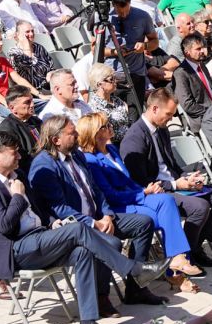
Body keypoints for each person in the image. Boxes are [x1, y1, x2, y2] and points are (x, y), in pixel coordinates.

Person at [0, 131, 165, 324]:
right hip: (15, 249)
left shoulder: (17, 176)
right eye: (14, 153)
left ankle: (88, 323)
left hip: (40, 237)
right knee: (78, 229)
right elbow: (5, 225)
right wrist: (17, 196)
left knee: (82, 252)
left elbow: (39, 210)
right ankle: (134, 269)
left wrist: (52, 222)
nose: (19, 156)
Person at [26, 115, 162, 307]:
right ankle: (101, 297)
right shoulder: (45, 165)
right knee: (111, 243)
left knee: (143, 222)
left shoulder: (78, 155)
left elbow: (95, 190)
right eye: (72, 133)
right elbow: (59, 208)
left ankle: (136, 288)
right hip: (73, 227)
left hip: (98, 216)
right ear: (56, 140)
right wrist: (93, 223)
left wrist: (106, 215)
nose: (77, 135)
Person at [76, 112, 204, 290]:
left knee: (166, 200)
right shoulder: (91, 161)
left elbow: (128, 181)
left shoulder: (112, 149)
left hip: (133, 196)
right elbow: (109, 195)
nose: (111, 126)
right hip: (119, 206)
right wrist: (143, 193)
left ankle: (176, 260)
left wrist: (147, 190)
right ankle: (174, 270)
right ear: (95, 133)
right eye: (105, 125)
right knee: (163, 216)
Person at [120, 90, 212, 266]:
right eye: (168, 114)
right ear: (155, 108)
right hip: (157, 192)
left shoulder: (162, 130)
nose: (171, 119)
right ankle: (185, 257)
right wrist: (175, 184)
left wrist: (187, 178)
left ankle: (196, 246)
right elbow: (140, 181)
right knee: (199, 207)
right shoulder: (135, 138)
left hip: (175, 184)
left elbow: (171, 166)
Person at [8, 21, 56, 94]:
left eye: (32, 31)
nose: (31, 34)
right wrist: (26, 44)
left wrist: (50, 73)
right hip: (30, 92)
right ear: (18, 35)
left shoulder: (39, 48)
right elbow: (27, 63)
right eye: (27, 32)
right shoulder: (14, 53)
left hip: (48, 86)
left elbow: (51, 67)